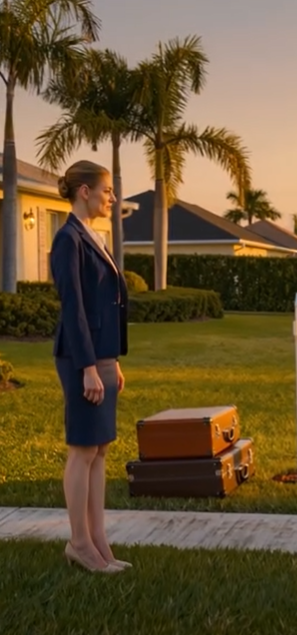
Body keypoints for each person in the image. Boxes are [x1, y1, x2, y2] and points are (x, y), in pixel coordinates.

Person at [50, 160, 130, 573]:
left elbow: (105, 304)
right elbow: (75, 308)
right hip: (80, 358)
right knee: (82, 449)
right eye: (106, 191)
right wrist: (87, 367)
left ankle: (99, 541)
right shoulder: (68, 239)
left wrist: (110, 361)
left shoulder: (92, 236)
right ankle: (79, 543)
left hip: (100, 357)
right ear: (84, 191)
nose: (111, 198)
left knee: (99, 449)